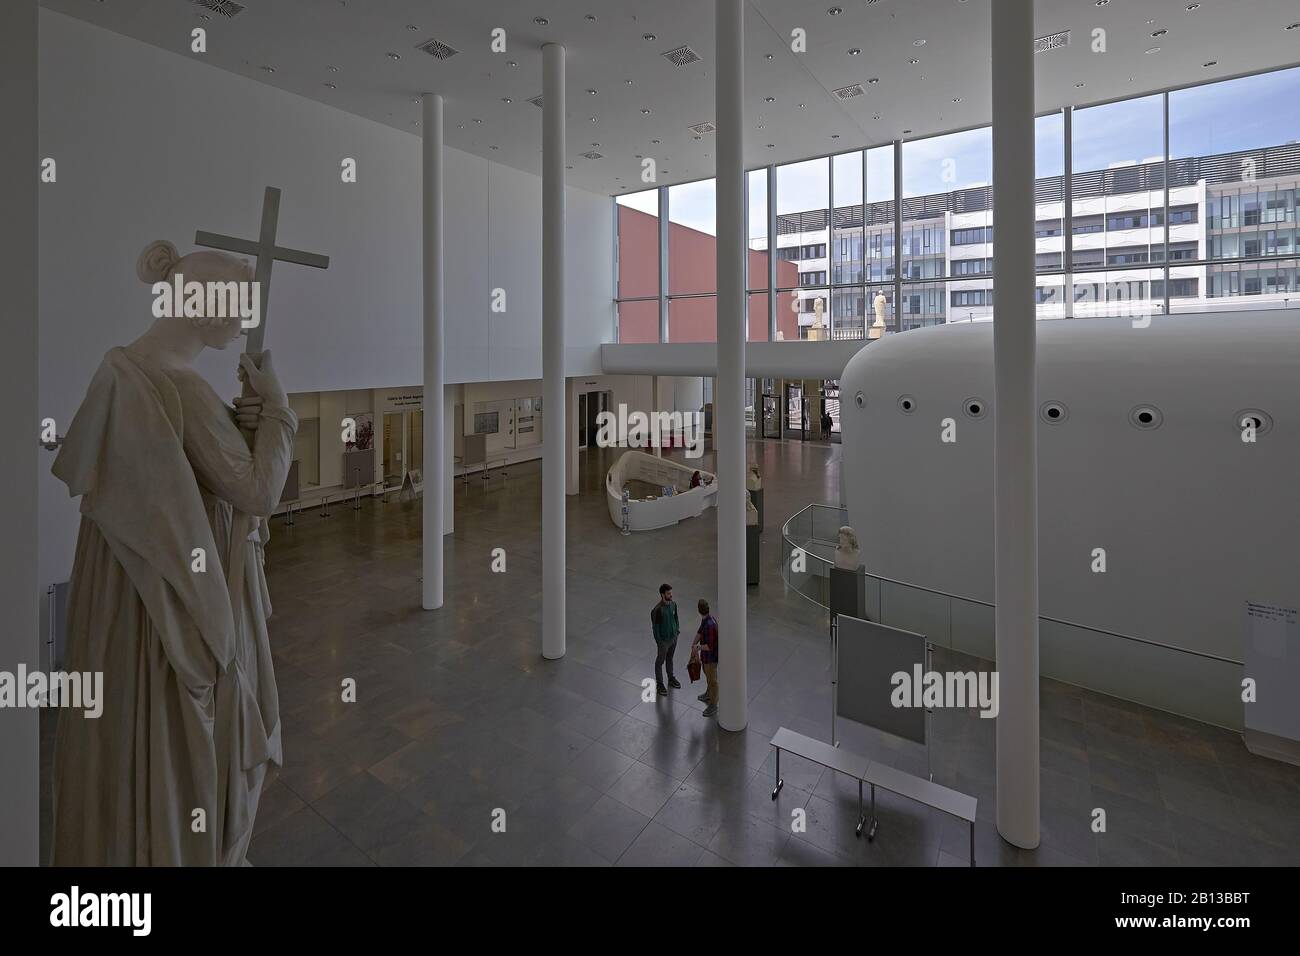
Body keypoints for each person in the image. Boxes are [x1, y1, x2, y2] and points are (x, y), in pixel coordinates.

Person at [651, 583, 681, 696]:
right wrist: (660, 641)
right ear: (662, 594)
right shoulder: (657, 610)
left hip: (673, 638)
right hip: (663, 641)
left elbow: (676, 617)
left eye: (671, 593)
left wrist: (676, 630)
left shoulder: (673, 605)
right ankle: (659, 684)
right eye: (668, 593)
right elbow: (655, 628)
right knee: (660, 661)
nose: (671, 595)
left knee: (670, 658)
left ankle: (671, 677)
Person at [692, 599, 720, 718]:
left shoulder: (710, 624)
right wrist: (693, 645)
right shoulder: (706, 620)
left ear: (699, 610)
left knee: (713, 681)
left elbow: (710, 646)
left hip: (711, 658)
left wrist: (697, 647)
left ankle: (713, 704)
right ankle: (708, 694)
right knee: (708, 676)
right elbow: (700, 632)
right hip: (705, 657)